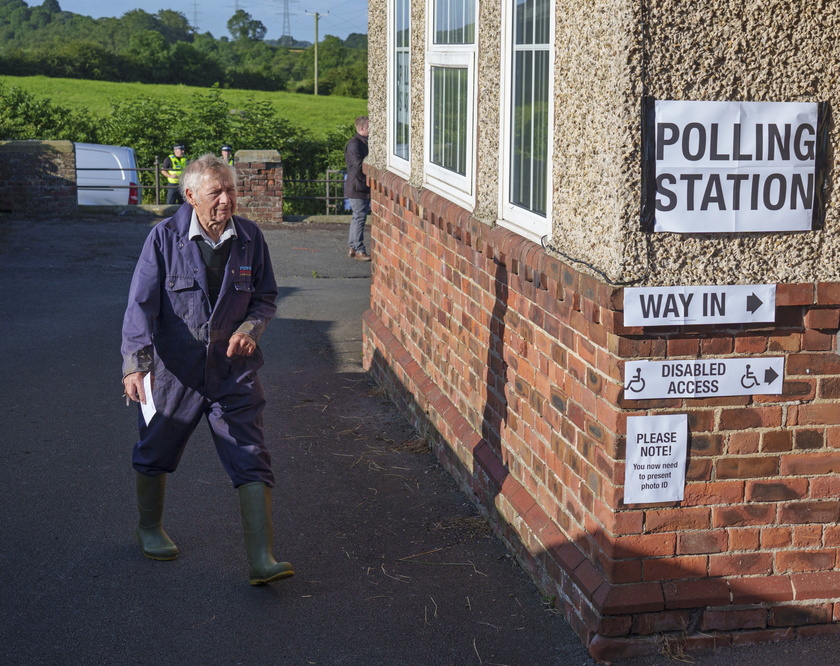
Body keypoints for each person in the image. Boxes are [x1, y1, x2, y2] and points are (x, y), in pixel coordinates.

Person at [121, 154, 293, 586]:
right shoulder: (163, 238)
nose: (226, 200)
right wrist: (135, 365)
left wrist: (252, 328)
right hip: (174, 371)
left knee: (250, 454)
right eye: (217, 192)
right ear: (191, 195)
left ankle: (261, 560)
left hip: (232, 370)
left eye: (231, 190)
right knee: (156, 449)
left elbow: (265, 296)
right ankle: (149, 527)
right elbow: (140, 306)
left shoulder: (250, 238)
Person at [344, 116, 371, 261]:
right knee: (359, 218)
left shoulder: (359, 143)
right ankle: (359, 249)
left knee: (357, 218)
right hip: (357, 187)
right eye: (369, 127)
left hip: (358, 186)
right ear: (362, 128)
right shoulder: (355, 144)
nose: (372, 131)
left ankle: (353, 248)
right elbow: (358, 165)